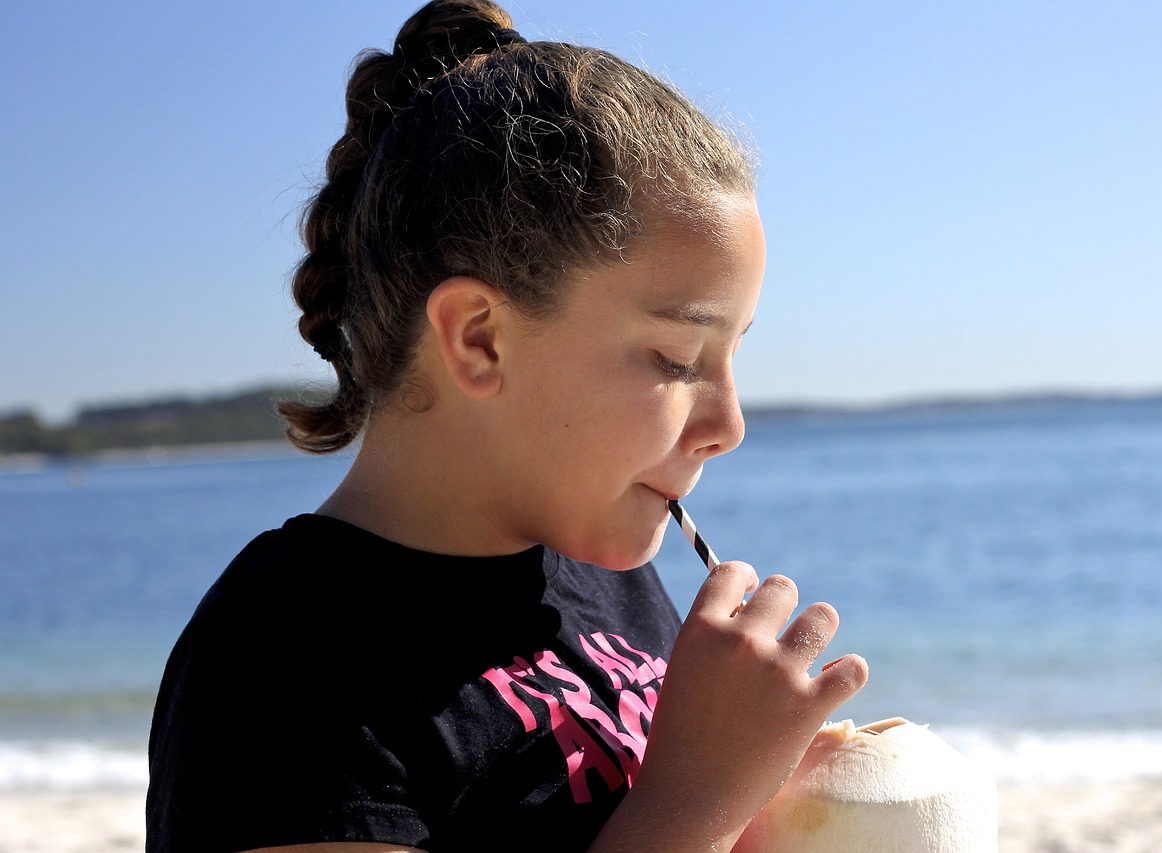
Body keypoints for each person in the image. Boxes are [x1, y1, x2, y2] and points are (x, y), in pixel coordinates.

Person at [145, 1, 868, 850]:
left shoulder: (611, 579)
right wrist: (700, 795)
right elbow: (675, 815)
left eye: (733, 355)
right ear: (481, 339)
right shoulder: (284, 658)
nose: (729, 423)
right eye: (677, 358)